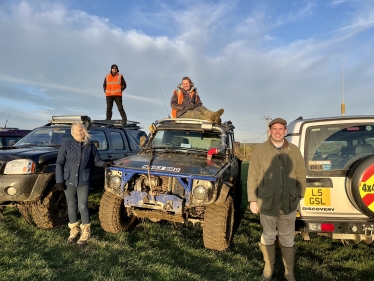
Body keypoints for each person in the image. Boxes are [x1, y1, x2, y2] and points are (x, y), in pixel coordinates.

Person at [247, 118, 306, 281]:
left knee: (287, 237)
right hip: (266, 202)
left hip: (289, 202)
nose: (278, 131)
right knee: (268, 234)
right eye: (275, 129)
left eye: (281, 129)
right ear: (270, 131)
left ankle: (289, 272)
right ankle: (268, 269)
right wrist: (252, 200)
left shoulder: (294, 150)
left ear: (286, 131)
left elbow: (301, 174)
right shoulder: (260, 151)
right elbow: (252, 176)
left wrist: (299, 195)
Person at [55, 122, 110, 245]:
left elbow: (97, 161)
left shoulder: (90, 146)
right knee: (71, 205)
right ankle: (74, 230)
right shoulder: (66, 145)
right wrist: (59, 181)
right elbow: (59, 163)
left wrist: (104, 164)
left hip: (83, 181)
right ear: (73, 132)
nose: (81, 132)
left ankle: (86, 231)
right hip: (69, 181)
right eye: (78, 130)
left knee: (83, 206)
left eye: (82, 130)